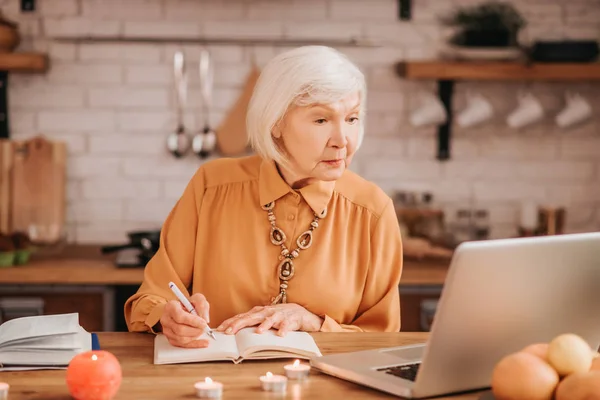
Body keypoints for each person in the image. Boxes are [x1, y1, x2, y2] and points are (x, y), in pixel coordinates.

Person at [124, 45, 403, 349]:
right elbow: (149, 299)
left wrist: (314, 322)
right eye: (321, 120)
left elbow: (382, 340)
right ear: (276, 123)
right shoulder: (211, 186)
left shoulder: (373, 211)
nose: (342, 141)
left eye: (351, 119)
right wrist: (168, 316)